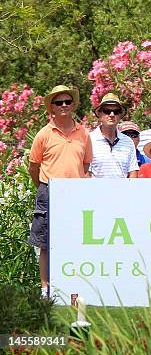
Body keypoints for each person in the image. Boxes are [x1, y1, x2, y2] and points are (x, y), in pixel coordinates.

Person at [28, 85, 93, 297]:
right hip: (49, 190)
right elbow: (34, 166)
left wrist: (76, 183)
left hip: (75, 191)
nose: (64, 105)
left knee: (75, 238)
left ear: (73, 105)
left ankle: (72, 285)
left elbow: (85, 164)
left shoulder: (83, 133)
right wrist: (43, 187)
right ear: (52, 108)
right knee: (45, 241)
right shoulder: (43, 134)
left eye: (67, 102)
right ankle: (45, 286)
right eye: (59, 103)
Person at [88, 93, 139, 178]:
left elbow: (133, 173)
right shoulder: (89, 139)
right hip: (96, 190)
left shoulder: (128, 141)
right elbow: (86, 173)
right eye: (107, 111)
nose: (112, 115)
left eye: (116, 112)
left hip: (122, 190)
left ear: (120, 115)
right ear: (99, 114)